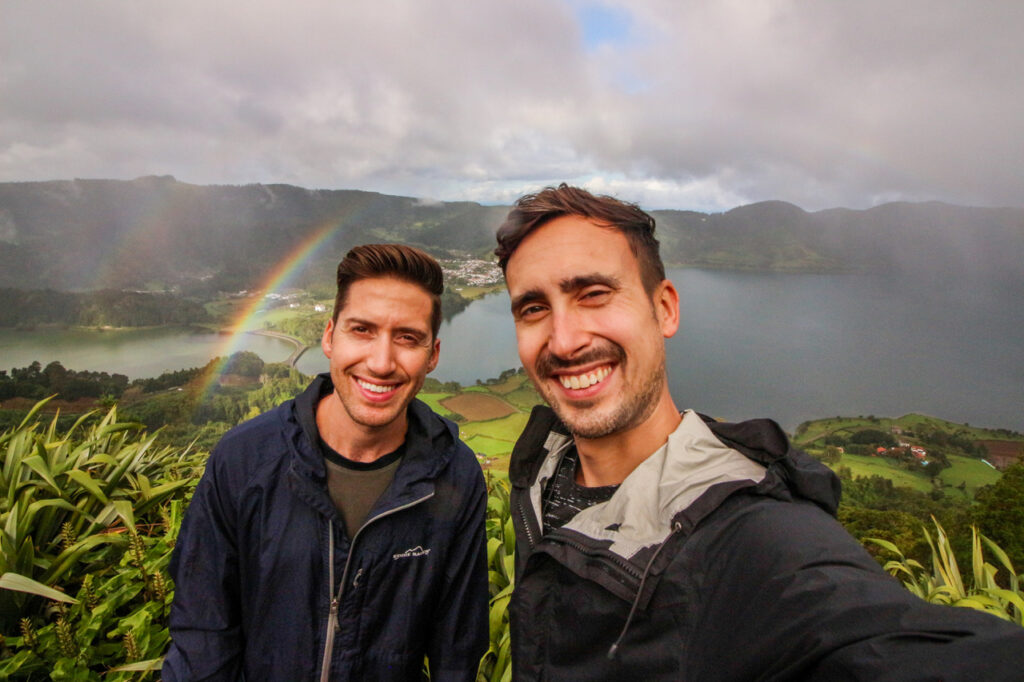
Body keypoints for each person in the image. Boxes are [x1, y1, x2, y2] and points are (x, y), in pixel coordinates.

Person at [494, 184, 1024, 680]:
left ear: (665, 308)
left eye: (592, 293)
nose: (563, 342)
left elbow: (871, 639)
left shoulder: (753, 535)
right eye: (534, 308)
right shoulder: (542, 462)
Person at [164, 244, 488, 681]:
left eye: (408, 338)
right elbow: (203, 632)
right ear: (330, 336)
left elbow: (458, 649)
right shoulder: (245, 459)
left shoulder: (454, 472)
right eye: (362, 330)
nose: (381, 362)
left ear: (432, 354)